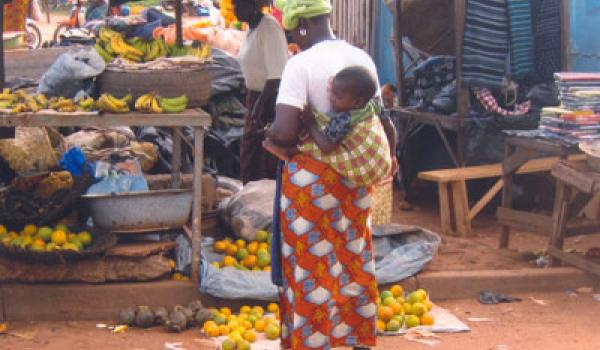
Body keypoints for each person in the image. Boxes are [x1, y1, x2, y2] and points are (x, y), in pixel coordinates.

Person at [263, 1, 394, 349]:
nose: (293, 38)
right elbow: (381, 119)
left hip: (312, 185)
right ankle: (356, 339)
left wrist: (276, 131)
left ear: (302, 23)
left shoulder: (300, 64)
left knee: (310, 265)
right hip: (354, 183)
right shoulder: (361, 59)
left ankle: (312, 341)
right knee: (352, 259)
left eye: (292, 31)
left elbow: (284, 133)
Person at [265, 65, 391, 187]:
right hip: (383, 164)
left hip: (365, 169)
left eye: (338, 97)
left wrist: (310, 123)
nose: (332, 99)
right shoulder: (374, 104)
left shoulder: (344, 119)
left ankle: (291, 151)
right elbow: (389, 125)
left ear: (357, 102)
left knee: (315, 144)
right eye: (332, 93)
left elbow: (326, 147)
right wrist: (394, 156)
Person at [234, 0, 288, 184]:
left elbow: (275, 77)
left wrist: (257, 110)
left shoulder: (269, 28)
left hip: (268, 102)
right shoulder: (251, 30)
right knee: (250, 155)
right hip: (254, 98)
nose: (235, 9)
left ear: (253, 5)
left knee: (262, 158)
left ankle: (262, 202)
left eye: (239, 4)